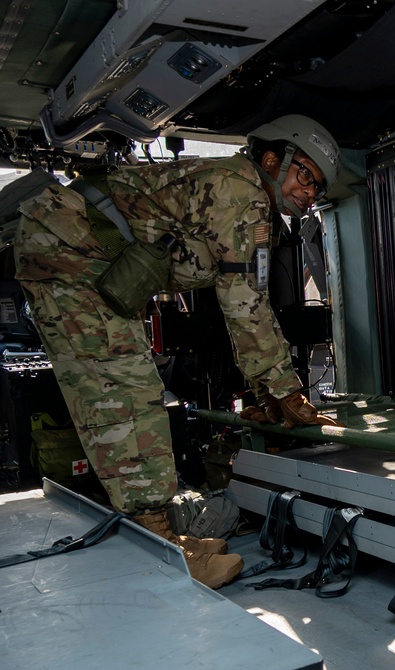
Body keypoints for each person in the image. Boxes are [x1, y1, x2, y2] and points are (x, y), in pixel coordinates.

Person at [13, 114, 340, 589]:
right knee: (126, 395)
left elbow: (244, 300)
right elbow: (246, 305)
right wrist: (286, 392)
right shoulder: (242, 191)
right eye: (305, 175)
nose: (309, 193)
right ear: (273, 159)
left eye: (318, 188)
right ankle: (163, 548)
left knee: (131, 387)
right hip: (68, 257)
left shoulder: (241, 190)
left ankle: (158, 530)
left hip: (76, 257)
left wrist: (269, 392)